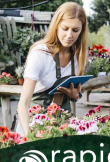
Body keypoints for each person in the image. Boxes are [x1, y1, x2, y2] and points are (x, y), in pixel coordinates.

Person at [16, 2, 88, 136]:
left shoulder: (78, 55)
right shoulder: (40, 53)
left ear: (82, 30)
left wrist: (74, 95)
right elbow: (23, 103)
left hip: (62, 121)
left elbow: (76, 93)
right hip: (34, 122)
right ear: (56, 26)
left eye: (75, 30)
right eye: (65, 28)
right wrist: (29, 137)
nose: (69, 35)